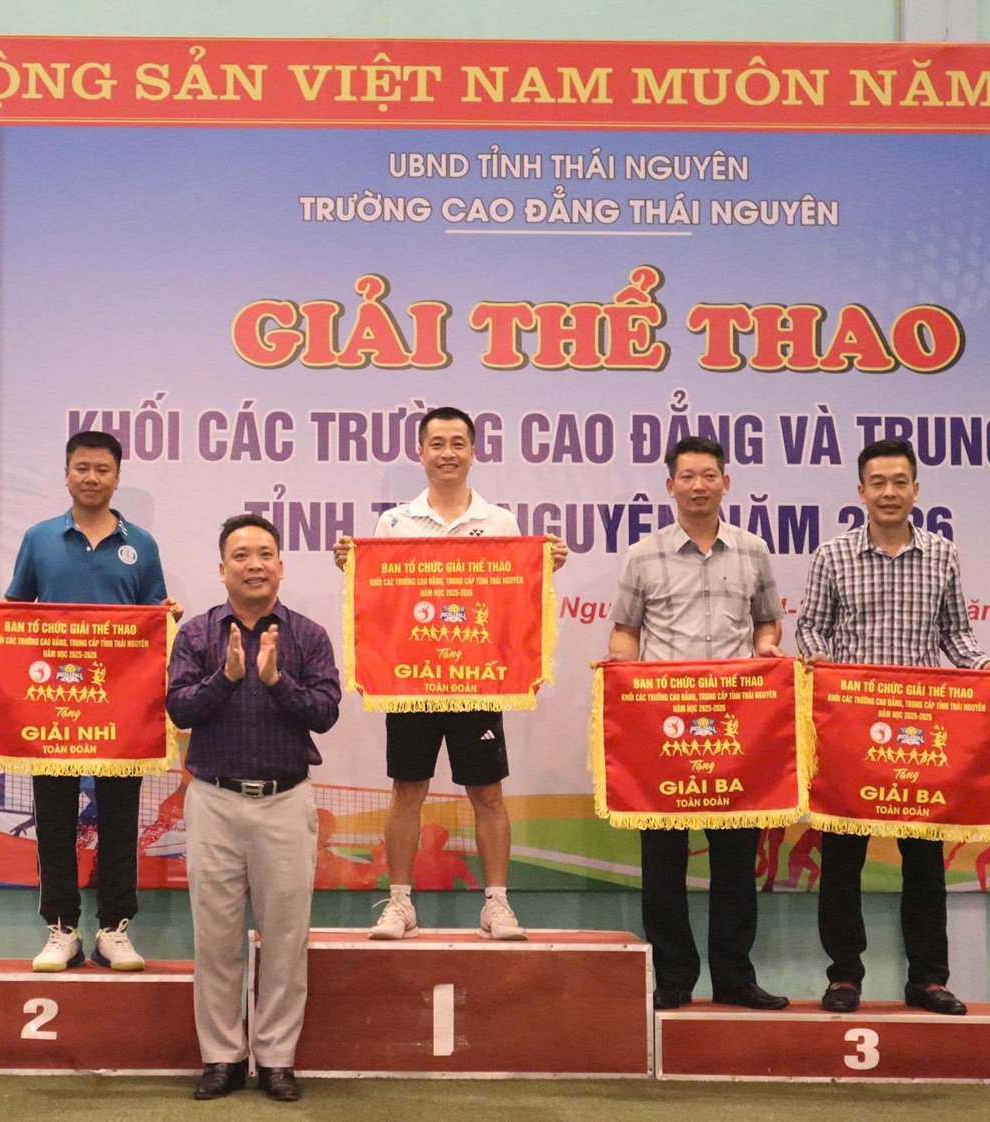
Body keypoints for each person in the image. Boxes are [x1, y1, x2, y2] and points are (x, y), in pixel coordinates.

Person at [795, 437, 990, 1016]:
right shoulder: (832, 556)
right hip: (851, 733)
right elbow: (810, 629)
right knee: (841, 858)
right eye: (878, 482)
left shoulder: (943, 555)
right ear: (861, 491)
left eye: (900, 482)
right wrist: (823, 664)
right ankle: (844, 977)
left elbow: (957, 635)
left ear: (916, 490)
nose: (889, 492)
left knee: (924, 859)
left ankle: (927, 979)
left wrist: (983, 666)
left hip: (920, 732)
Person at [334, 406, 567, 942]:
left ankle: (497, 905)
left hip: (476, 678)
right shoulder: (394, 523)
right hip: (412, 680)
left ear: (473, 452)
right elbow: (382, 603)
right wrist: (353, 567)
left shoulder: (501, 523)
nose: (447, 453)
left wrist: (543, 568)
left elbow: (513, 602)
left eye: (458, 443)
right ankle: (399, 902)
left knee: (487, 793)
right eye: (437, 443)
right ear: (420, 452)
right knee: (407, 788)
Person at [604, 435, 790, 1011]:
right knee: (663, 859)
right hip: (664, 728)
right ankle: (674, 977)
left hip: (736, 727)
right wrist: (619, 669)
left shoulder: (753, 550)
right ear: (671, 486)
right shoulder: (643, 555)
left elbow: (768, 622)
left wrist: (766, 649)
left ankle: (734, 976)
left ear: (725, 483)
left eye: (709, 475)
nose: (698, 486)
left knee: (736, 857)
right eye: (687, 476)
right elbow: (626, 631)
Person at [0, 430, 179, 972]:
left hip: (120, 707)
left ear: (117, 478)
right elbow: (16, 613)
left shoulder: (142, 545)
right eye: (82, 468)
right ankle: (61, 929)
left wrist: (167, 618)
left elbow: (152, 620)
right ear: (66, 473)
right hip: (53, 704)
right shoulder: (39, 538)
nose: (92, 478)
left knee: (120, 819)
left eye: (102, 469)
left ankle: (114, 929)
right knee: (53, 819)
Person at [167, 514, 341, 1102]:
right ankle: (222, 1056)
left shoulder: (308, 636)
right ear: (222, 569)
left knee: (286, 940)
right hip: (214, 801)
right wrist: (227, 677)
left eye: (265, 554)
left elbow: (325, 713)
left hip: (285, 802)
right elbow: (179, 709)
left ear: (281, 566)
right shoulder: (197, 634)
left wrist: (274, 680)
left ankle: (276, 1059)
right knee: (216, 939)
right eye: (241, 555)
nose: (254, 565)